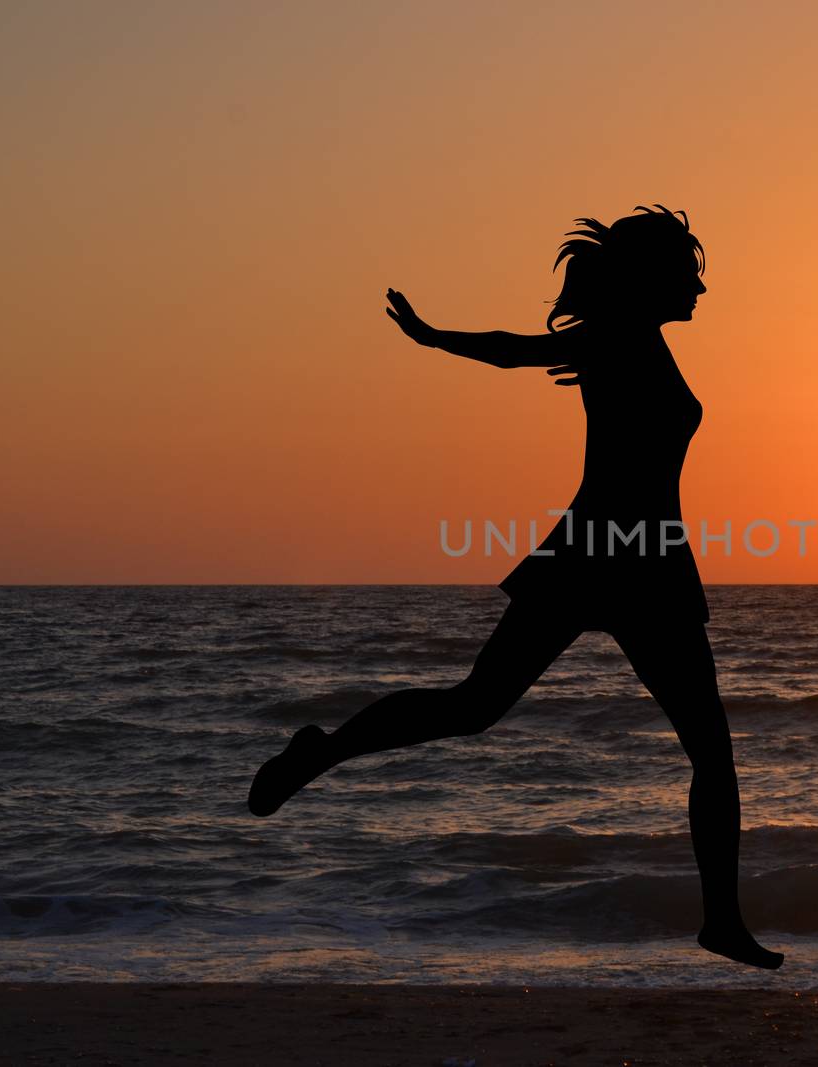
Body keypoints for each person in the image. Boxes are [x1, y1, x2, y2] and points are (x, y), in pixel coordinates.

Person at [248, 205, 782, 970]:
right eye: (688, 272)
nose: (700, 286)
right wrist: (435, 337)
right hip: (608, 554)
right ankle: (319, 751)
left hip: (644, 558)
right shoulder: (618, 337)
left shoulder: (641, 342)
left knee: (695, 748)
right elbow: (514, 350)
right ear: (652, 281)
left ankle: (721, 921)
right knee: (477, 707)